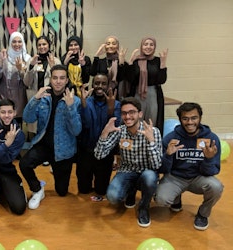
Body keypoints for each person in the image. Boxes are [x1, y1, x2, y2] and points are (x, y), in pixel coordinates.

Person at [19, 64, 82, 209]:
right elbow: (28, 118)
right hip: (44, 145)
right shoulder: (43, 98)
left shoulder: (75, 101)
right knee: (24, 164)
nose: (58, 81)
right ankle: (37, 188)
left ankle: (56, 171)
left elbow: (76, 131)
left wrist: (70, 107)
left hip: (63, 151)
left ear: (67, 80)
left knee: (62, 192)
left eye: (62, 78)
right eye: (55, 78)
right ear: (50, 80)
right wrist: (35, 98)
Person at [94, 97, 162, 227]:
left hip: (146, 172)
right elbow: (99, 155)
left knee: (149, 177)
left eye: (132, 112)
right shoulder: (120, 131)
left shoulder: (153, 132)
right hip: (127, 170)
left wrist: (151, 141)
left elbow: (157, 165)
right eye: (124, 113)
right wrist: (104, 134)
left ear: (140, 114)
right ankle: (130, 192)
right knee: (113, 197)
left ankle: (144, 207)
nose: (128, 116)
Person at [155, 102, 223, 231]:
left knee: (216, 187)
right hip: (175, 178)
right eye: (185, 118)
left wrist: (208, 159)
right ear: (180, 120)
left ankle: (203, 214)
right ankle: (176, 198)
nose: (190, 122)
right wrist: (168, 155)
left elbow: (214, 170)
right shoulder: (170, 139)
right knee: (161, 200)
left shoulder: (211, 139)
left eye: (194, 118)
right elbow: (162, 170)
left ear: (200, 118)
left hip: (199, 177)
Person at [77, 73, 121, 201]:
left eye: (103, 83)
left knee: (101, 190)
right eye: (96, 83)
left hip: (105, 153)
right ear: (92, 85)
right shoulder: (86, 101)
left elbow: (116, 128)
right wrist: (84, 105)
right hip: (86, 150)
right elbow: (86, 125)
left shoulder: (116, 104)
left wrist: (110, 109)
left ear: (108, 86)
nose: (99, 86)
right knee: (83, 189)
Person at [127, 37, 168, 135]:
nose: (148, 47)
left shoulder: (158, 60)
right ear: (141, 46)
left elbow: (161, 80)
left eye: (151, 44)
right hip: (137, 93)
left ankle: (151, 143)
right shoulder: (136, 60)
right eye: (145, 44)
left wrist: (163, 63)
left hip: (153, 94)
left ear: (154, 47)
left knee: (152, 121)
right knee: (136, 119)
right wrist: (130, 63)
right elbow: (130, 79)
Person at [24, 35, 61, 138]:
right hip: (35, 98)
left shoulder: (56, 61)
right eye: (39, 45)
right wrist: (31, 66)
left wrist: (53, 66)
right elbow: (27, 83)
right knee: (34, 128)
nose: (42, 47)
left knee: (48, 126)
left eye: (44, 44)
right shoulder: (32, 60)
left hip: (49, 98)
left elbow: (59, 82)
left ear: (49, 45)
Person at [0, 31, 31, 125]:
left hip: (20, 96)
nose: (17, 44)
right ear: (10, 43)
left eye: (19, 42)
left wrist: (21, 70)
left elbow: (28, 81)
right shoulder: (3, 56)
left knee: (18, 123)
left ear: (23, 43)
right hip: (4, 94)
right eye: (14, 41)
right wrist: (0, 63)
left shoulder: (27, 58)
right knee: (4, 121)